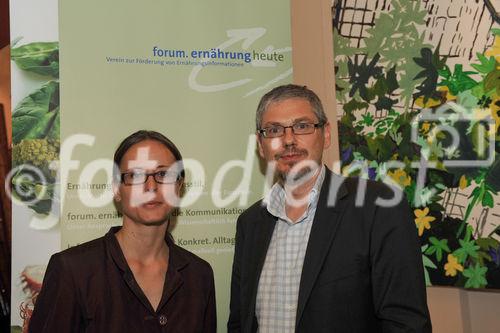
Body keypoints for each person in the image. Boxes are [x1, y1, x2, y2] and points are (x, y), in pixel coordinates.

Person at [227, 84, 431, 332]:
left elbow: (406, 323)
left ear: (326, 134)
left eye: (302, 126)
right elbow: (240, 321)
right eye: (274, 130)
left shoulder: (379, 207)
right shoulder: (250, 223)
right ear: (261, 145)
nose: (288, 140)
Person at [29, 130, 216, 333]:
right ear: (117, 189)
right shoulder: (72, 270)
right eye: (135, 175)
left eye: (163, 174)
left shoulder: (199, 275)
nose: (151, 186)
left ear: (179, 186)